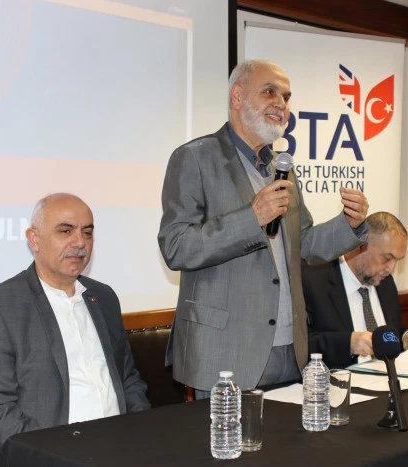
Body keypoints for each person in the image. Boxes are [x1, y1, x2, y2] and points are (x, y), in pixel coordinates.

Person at [158, 60, 370, 395]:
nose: (281, 104)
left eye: (286, 97)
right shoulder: (195, 158)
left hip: (290, 351)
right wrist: (251, 217)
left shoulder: (281, 168)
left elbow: (304, 245)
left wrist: (349, 225)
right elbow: (177, 246)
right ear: (237, 96)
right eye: (270, 92)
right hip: (225, 353)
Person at [0, 193, 150, 467]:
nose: (79, 242)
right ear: (34, 239)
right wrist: (57, 453)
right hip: (47, 458)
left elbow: (128, 379)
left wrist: (141, 433)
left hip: (119, 450)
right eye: (65, 231)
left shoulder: (104, 297)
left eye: (87, 232)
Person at [302, 212, 408, 369]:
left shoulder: (386, 283)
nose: (391, 269)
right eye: (387, 258)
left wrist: (406, 336)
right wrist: (349, 343)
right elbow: (302, 345)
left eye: (397, 261)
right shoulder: (315, 282)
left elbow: (385, 335)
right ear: (359, 247)